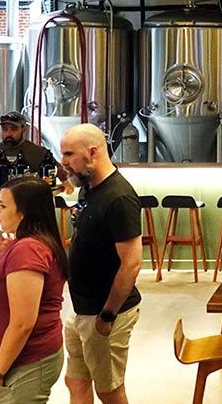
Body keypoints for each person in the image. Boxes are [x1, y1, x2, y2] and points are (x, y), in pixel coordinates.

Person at [59, 124, 142, 404]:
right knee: (76, 380)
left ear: (93, 153)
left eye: (69, 154)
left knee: (109, 391)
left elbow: (131, 264)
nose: (64, 162)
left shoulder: (118, 197)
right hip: (81, 309)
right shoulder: (89, 188)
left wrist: (107, 316)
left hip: (104, 313)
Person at [0, 176, 68, 403]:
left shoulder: (28, 250)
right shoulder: (28, 244)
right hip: (22, 361)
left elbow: (23, 323)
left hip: (21, 365)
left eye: (4, 205)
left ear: (24, 212)